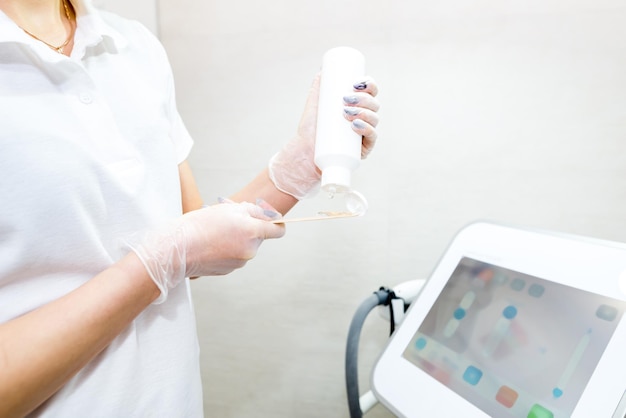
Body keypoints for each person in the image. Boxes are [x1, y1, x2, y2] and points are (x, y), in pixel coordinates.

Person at [0, 0, 380, 416]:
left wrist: (299, 165)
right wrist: (156, 263)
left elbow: (194, 241)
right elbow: (176, 251)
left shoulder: (136, 47)